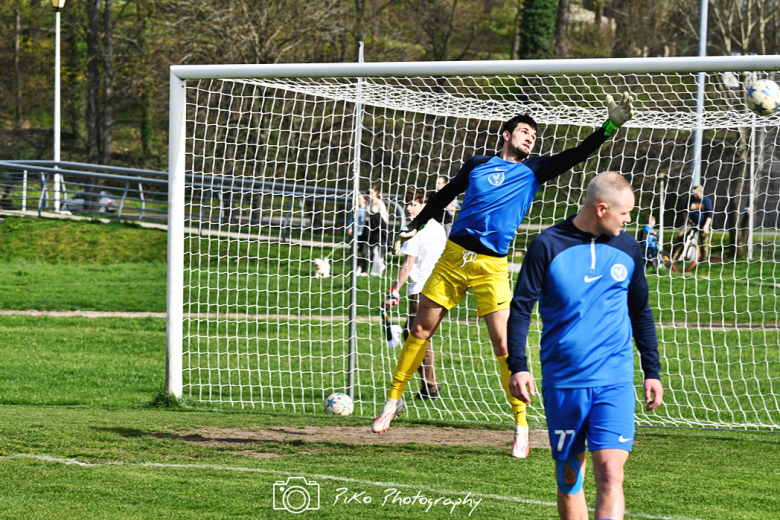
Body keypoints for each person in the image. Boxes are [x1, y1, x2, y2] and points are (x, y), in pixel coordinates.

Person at [372, 91, 636, 461]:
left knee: (504, 346)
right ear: (506, 133)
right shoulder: (477, 163)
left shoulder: (535, 170)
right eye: (525, 131)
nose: (531, 137)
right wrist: (415, 225)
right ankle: (393, 401)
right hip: (452, 259)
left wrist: (609, 126)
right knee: (419, 330)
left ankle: (521, 427)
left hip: (491, 267)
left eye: (534, 135)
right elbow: (445, 194)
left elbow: (577, 154)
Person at [507, 172, 664, 520]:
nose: (629, 220)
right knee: (569, 478)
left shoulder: (629, 248)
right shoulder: (547, 245)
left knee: (610, 472)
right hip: (564, 383)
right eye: (625, 213)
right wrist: (518, 365)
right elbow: (520, 310)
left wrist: (651, 370)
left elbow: (640, 312)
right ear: (602, 208)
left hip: (615, 380)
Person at [384, 187, 448, 400]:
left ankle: (430, 387)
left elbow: (407, 265)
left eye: (415, 203)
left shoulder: (414, 228)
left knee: (421, 338)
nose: (410, 208)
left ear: (425, 205)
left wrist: (394, 291)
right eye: (408, 204)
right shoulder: (438, 228)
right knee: (410, 333)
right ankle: (428, 386)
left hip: (421, 290)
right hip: (439, 288)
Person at [681, 184, 713, 262]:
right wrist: (685, 221)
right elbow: (685, 211)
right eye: (693, 193)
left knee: (704, 242)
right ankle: (676, 256)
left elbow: (709, 215)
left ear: (701, 192)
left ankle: (704, 260)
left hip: (702, 224)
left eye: (696, 193)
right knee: (681, 236)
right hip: (691, 222)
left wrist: (706, 226)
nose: (694, 195)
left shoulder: (706, 201)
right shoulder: (690, 199)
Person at [367, 185, 389, 276]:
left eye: (371, 192)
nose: (369, 194)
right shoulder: (368, 202)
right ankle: (381, 266)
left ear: (376, 192)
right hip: (370, 229)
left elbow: (384, 218)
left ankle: (376, 271)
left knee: (377, 250)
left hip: (379, 229)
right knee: (370, 251)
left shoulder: (380, 203)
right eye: (368, 192)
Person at [347, 193, 369, 275]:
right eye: (357, 199)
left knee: (364, 252)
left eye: (360, 198)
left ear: (364, 199)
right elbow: (351, 220)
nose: (358, 200)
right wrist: (350, 228)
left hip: (364, 233)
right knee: (353, 251)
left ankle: (364, 270)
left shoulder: (367, 209)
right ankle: (359, 266)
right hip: (355, 233)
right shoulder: (354, 209)